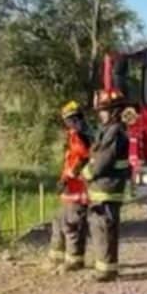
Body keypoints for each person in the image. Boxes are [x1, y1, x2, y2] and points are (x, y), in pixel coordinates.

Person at [82, 89, 130, 282]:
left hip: (107, 189)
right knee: (101, 229)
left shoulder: (114, 132)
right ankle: (105, 268)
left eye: (103, 111)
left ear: (114, 112)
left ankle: (106, 271)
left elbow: (103, 160)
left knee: (103, 229)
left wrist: (87, 173)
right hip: (104, 188)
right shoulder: (109, 131)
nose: (100, 115)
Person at [48, 100, 93, 271]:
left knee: (72, 224)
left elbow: (82, 158)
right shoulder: (79, 133)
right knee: (61, 221)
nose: (68, 124)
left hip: (77, 187)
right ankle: (58, 258)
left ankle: (74, 260)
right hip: (71, 187)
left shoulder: (79, 135)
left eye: (70, 120)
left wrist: (67, 178)